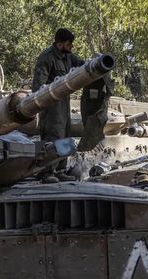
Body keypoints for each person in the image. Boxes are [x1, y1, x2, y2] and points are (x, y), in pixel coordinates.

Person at [33, 28, 84, 183]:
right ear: (60, 44)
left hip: (64, 103)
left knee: (65, 136)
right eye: (69, 44)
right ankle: (46, 172)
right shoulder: (47, 57)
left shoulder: (68, 57)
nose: (71, 47)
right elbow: (38, 85)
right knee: (53, 137)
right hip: (51, 105)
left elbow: (82, 64)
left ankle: (60, 169)